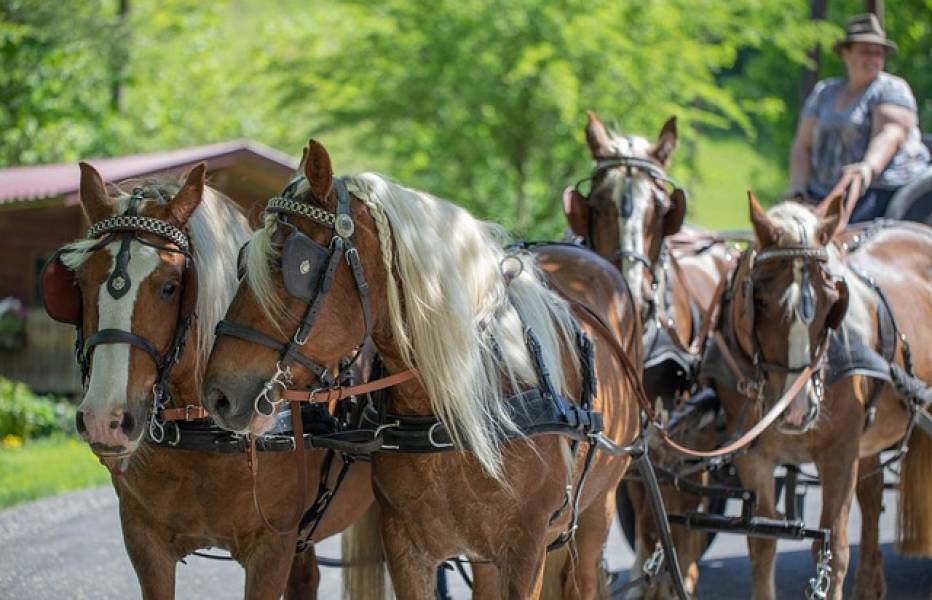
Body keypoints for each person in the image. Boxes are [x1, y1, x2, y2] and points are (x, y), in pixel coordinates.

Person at [786, 13, 930, 223]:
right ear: (845, 53)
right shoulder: (824, 92)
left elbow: (890, 134)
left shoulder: (892, 89)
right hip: (822, 191)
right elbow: (802, 146)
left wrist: (867, 168)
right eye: (865, 52)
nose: (873, 59)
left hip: (880, 190)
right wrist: (797, 188)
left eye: (878, 53)